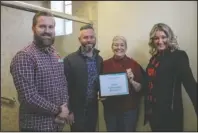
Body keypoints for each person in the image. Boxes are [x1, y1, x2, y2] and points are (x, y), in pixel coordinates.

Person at [10, 11, 70, 132]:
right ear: (33, 28)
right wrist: (59, 110)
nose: (47, 30)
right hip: (37, 127)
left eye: (50, 27)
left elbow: (62, 83)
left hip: (57, 125)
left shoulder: (55, 54)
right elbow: (29, 98)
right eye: (42, 26)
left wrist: (65, 107)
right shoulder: (25, 56)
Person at [144, 23, 197, 131]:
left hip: (170, 114)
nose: (160, 41)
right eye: (156, 38)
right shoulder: (154, 59)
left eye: (164, 37)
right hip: (154, 113)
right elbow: (149, 84)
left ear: (170, 38)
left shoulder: (178, 56)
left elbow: (191, 85)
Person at [63, 24, 103, 131]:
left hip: (93, 108)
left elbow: (99, 83)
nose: (89, 40)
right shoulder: (69, 60)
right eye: (85, 37)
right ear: (79, 39)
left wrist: (104, 92)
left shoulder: (99, 59)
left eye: (91, 37)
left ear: (95, 38)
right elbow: (64, 87)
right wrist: (69, 110)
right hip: (76, 110)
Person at [101, 36, 145, 131]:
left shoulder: (134, 64)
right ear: (112, 47)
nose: (119, 47)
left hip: (129, 110)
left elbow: (140, 89)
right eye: (116, 45)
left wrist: (132, 81)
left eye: (122, 45)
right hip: (110, 110)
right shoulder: (104, 64)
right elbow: (99, 86)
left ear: (126, 47)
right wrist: (101, 94)